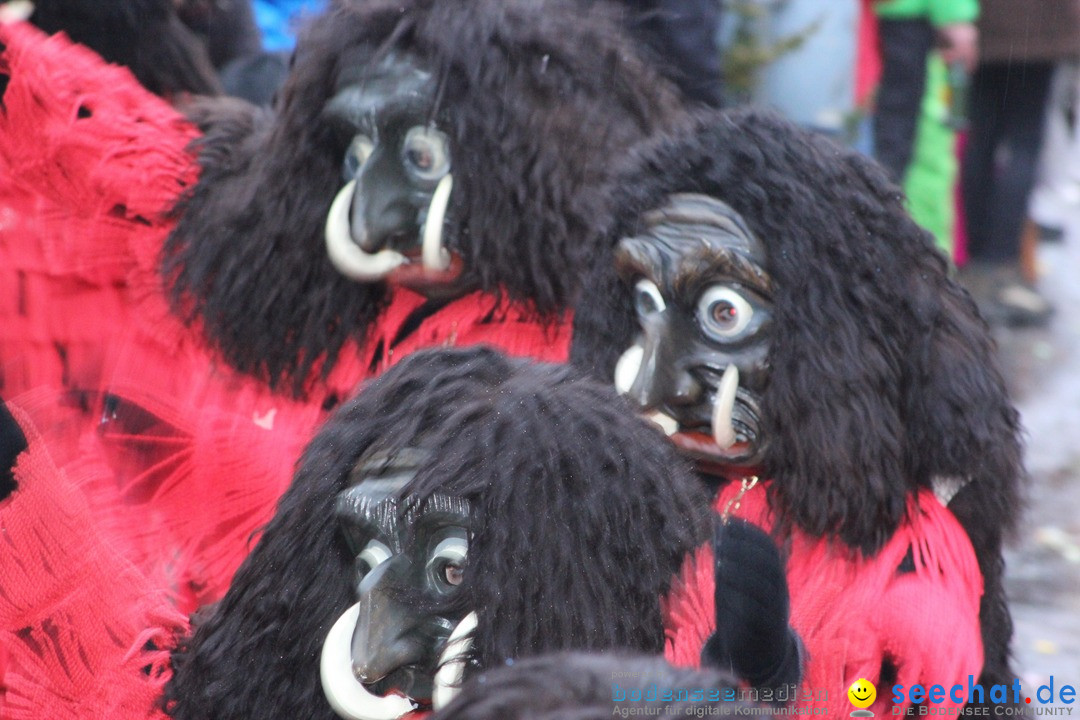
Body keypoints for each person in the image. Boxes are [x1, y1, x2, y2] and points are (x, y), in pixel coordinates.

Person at [959, 0, 1080, 327]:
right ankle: (1000, 266)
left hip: (983, 21)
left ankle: (974, 259)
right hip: (1038, 26)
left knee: (980, 142)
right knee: (1023, 146)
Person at [872, 0, 979, 183]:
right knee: (904, 134)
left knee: (892, 129)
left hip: (893, 15)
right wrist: (955, 15)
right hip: (915, 19)